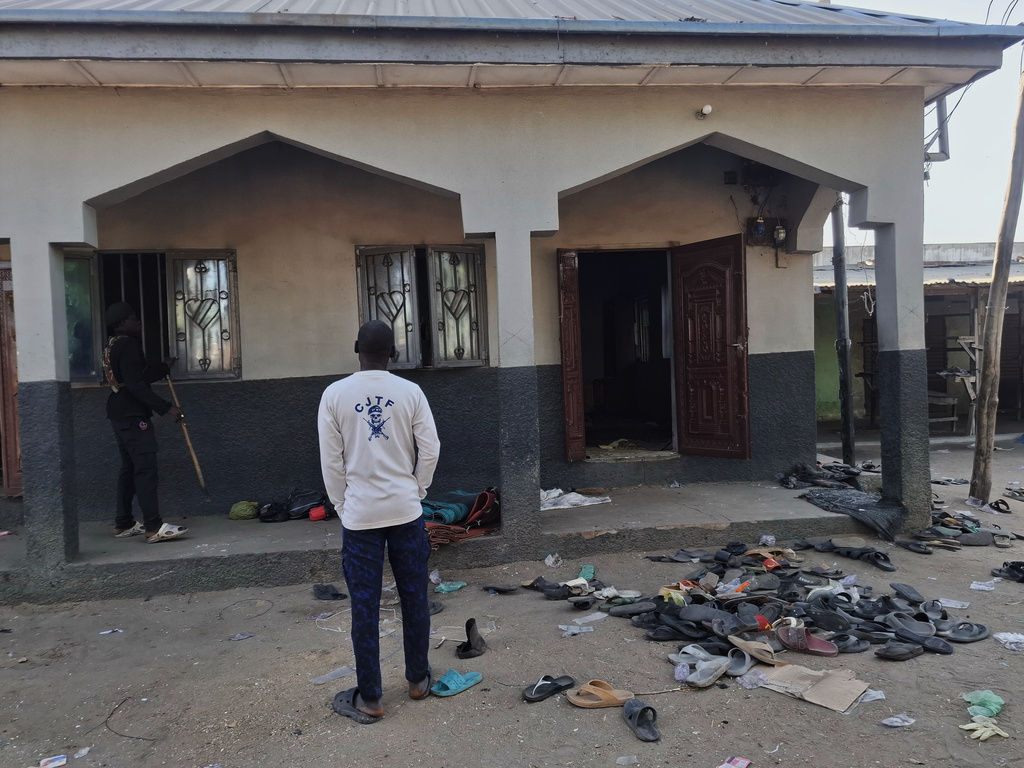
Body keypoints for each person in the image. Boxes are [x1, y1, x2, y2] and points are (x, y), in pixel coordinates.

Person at [318, 320, 440, 724]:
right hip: (406, 512)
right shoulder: (411, 392)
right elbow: (431, 449)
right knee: (414, 597)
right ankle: (418, 680)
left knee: (365, 606)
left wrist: (342, 505)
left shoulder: (334, 395)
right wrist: (417, 490)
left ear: (357, 348)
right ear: (394, 353)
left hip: (360, 518)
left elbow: (331, 461)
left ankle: (370, 698)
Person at [103, 302, 188, 544]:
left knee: (130, 468)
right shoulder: (128, 344)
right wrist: (167, 407)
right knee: (145, 468)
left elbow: (133, 377)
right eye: (133, 318)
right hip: (132, 414)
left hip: (119, 412)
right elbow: (135, 385)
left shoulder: (112, 345)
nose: (137, 322)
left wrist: (162, 368)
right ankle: (153, 527)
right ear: (123, 322)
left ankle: (124, 523)